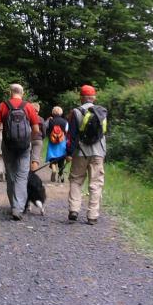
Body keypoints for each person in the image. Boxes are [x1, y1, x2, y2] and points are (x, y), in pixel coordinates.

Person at [0, 83, 40, 221]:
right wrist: (28, 141)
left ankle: (13, 205)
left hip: (8, 146)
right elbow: (36, 130)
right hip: (24, 147)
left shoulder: (2, 106)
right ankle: (18, 208)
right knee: (22, 177)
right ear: (22, 93)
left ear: (10, 93)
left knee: (11, 175)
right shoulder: (28, 106)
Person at [67, 85, 108, 225]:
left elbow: (71, 135)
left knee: (76, 180)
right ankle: (92, 215)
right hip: (98, 152)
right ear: (94, 97)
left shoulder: (76, 112)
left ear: (81, 97)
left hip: (81, 152)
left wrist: (69, 153)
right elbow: (103, 132)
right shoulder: (102, 112)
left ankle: (74, 209)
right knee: (96, 184)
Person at [45, 106, 69, 183]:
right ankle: (61, 175)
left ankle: (54, 169)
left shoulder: (50, 121)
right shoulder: (65, 122)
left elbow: (44, 127)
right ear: (61, 113)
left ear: (53, 112)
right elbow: (67, 131)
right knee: (61, 159)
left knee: (52, 158)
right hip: (62, 143)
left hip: (52, 142)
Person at [29, 102, 45, 171]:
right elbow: (44, 130)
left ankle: (26, 175)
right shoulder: (41, 119)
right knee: (35, 158)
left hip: (28, 139)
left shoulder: (27, 118)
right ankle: (32, 174)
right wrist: (42, 137)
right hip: (38, 139)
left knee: (27, 157)